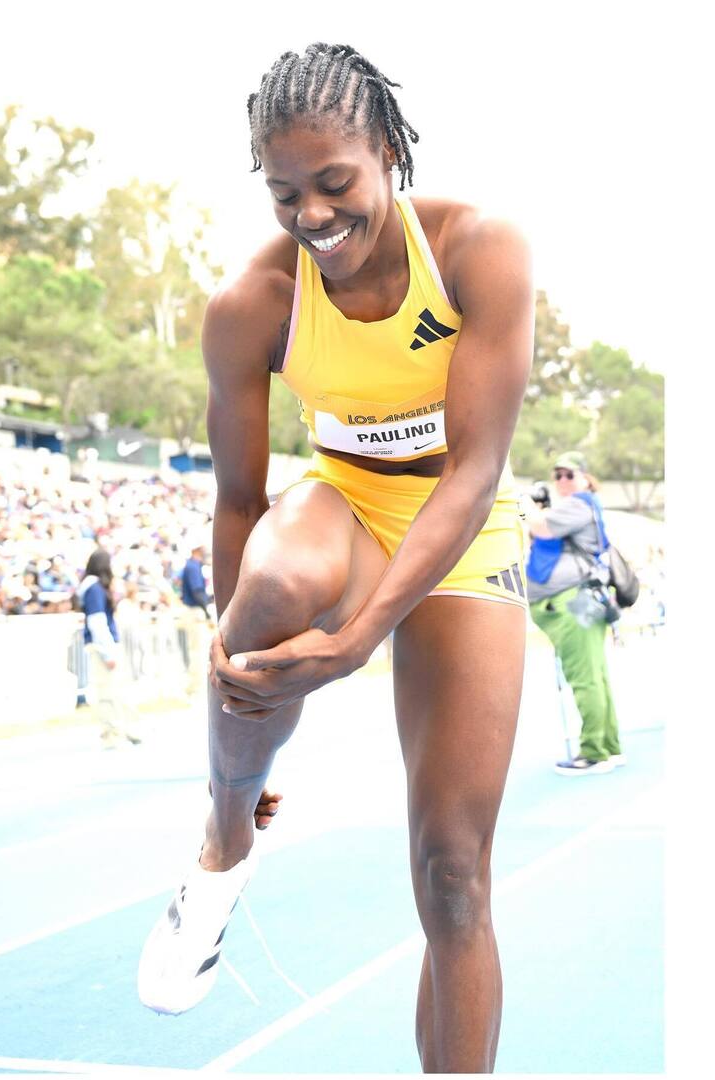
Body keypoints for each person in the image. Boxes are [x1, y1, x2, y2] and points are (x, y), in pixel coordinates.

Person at [137, 43, 533, 1073]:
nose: (312, 215)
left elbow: (473, 474)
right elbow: (236, 501)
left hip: (461, 526)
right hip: (342, 504)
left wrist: (359, 640)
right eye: (285, 194)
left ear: (391, 153)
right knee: (265, 587)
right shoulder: (251, 305)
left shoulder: (479, 251)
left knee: (453, 875)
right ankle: (225, 842)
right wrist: (243, 673)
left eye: (335, 183)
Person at [524, 451, 624, 775]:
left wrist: (526, 504)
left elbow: (541, 528)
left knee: (585, 678)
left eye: (569, 474)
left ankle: (593, 752)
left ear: (584, 477)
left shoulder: (579, 504)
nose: (562, 480)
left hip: (572, 601)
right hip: (581, 599)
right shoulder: (580, 506)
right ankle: (608, 747)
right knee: (594, 675)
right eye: (558, 475)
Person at [75, 548, 140, 749]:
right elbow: (97, 622)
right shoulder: (94, 588)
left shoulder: (91, 587)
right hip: (103, 646)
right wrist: (108, 652)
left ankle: (125, 729)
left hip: (105, 645)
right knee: (107, 691)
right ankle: (111, 734)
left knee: (116, 690)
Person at [179, 544, 214, 695]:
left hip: (194, 610)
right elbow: (197, 592)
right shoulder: (192, 566)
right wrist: (207, 612)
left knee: (198, 649)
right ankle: (195, 687)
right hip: (194, 611)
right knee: (197, 650)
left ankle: (196, 686)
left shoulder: (194, 565)